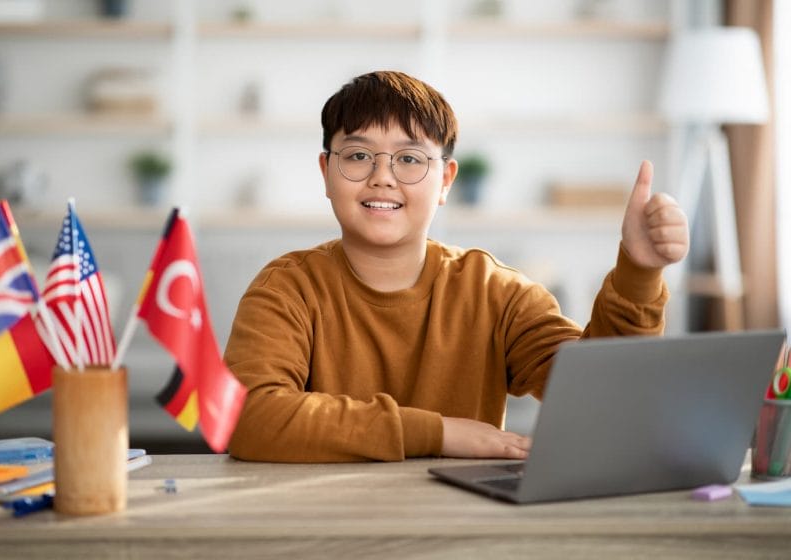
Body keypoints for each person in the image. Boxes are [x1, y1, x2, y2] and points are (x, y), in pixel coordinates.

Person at [223, 70, 689, 462]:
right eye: (359, 156)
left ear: (445, 179)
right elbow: (248, 417)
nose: (382, 176)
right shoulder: (285, 289)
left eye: (409, 159)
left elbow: (602, 398)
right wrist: (441, 434)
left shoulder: (496, 293)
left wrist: (639, 272)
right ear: (326, 172)